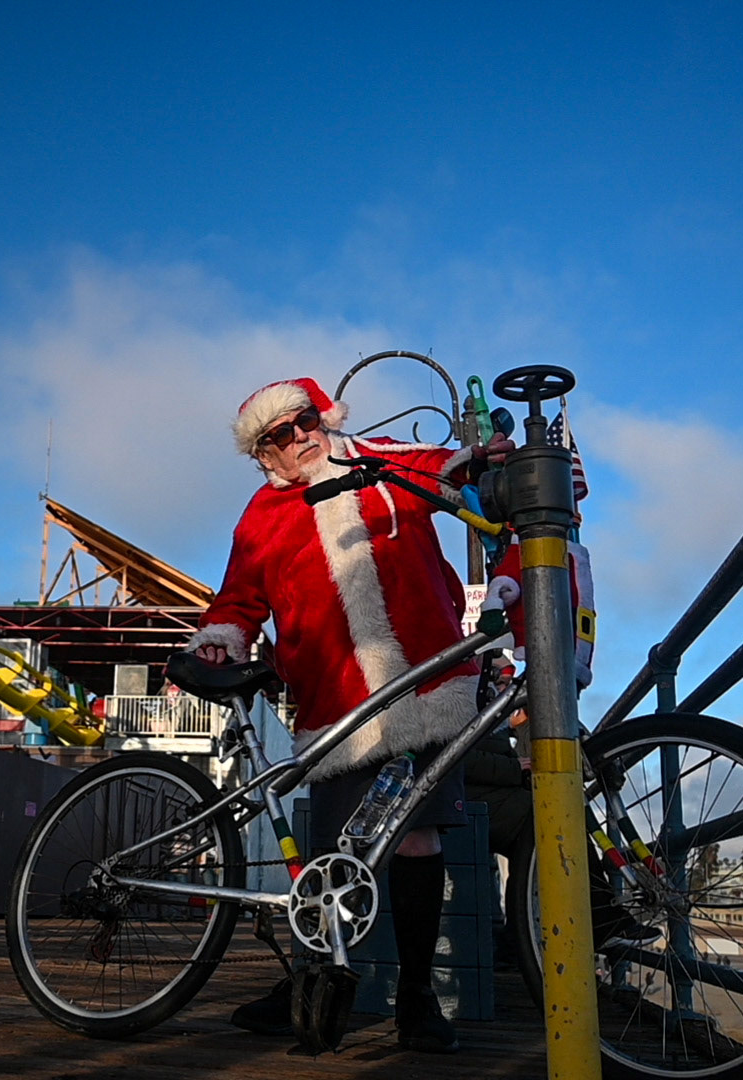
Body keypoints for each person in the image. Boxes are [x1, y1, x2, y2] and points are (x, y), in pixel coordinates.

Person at [187, 377, 513, 1054]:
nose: (299, 437)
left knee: (418, 842)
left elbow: (450, 472)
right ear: (263, 455)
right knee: (338, 855)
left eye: (304, 421)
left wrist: (483, 464)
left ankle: (418, 998)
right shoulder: (260, 516)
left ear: (322, 418)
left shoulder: (380, 460)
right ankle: (312, 981)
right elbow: (237, 599)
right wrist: (220, 641)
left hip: (425, 684)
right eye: (278, 435)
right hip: (336, 703)